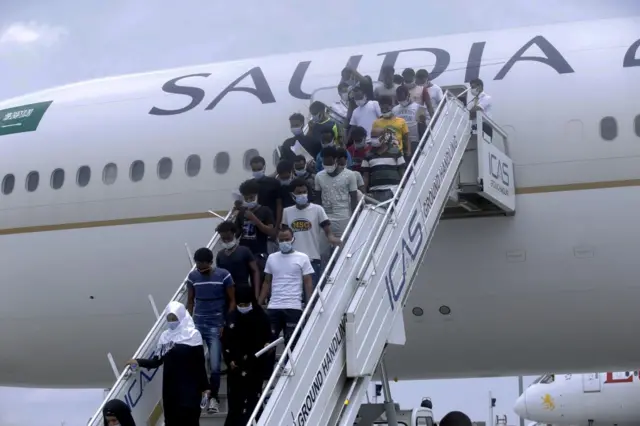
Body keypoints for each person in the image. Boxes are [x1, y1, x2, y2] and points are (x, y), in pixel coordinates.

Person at [126, 302, 210, 426]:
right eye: (169, 318)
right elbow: (156, 361)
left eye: (174, 318)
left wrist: (205, 388)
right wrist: (138, 362)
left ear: (181, 317)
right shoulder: (164, 337)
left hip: (190, 390)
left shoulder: (193, 335)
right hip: (171, 391)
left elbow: (199, 364)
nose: (171, 321)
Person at [186, 247, 235, 414]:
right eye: (198, 264)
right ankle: (202, 394)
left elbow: (232, 301)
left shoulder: (223, 275)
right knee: (196, 364)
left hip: (216, 324)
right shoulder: (193, 277)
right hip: (198, 324)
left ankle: (214, 398)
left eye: (203, 264)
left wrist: (225, 323)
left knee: (215, 365)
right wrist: (188, 324)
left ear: (210, 262)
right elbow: (190, 301)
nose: (200, 267)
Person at [222, 285, 273, 426]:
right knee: (235, 404)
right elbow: (225, 341)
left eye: (246, 304)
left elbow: (267, 344)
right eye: (240, 305)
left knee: (252, 403)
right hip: (235, 370)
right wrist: (229, 361)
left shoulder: (261, 319)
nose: (243, 307)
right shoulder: (232, 318)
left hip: (254, 369)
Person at [258, 226, 314, 346]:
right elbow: (266, 282)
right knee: (268, 343)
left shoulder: (302, 257)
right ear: (277, 240)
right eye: (281, 240)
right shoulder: (272, 258)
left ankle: (289, 365)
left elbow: (308, 282)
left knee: (292, 344)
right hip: (273, 306)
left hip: (293, 307)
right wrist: (259, 304)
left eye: (287, 239)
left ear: (293, 239)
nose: (284, 242)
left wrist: (309, 305)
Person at [282, 178, 342, 287]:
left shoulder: (318, 209)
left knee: (312, 292)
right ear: (292, 195)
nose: (302, 195)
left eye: (304, 192)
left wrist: (331, 237)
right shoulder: (286, 212)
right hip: (292, 259)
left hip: (312, 258)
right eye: (299, 193)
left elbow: (327, 230)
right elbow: (283, 235)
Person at [314, 146, 359, 237]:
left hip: (344, 218)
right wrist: (319, 218)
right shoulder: (319, 176)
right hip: (325, 218)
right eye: (325, 164)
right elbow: (318, 198)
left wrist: (354, 218)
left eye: (330, 164)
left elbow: (354, 197)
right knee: (324, 249)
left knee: (342, 246)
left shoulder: (350, 175)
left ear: (336, 160)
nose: (328, 167)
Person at [216, 220, 261, 295]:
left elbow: (255, 271)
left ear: (234, 235)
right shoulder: (220, 255)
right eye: (224, 239)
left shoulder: (244, 251)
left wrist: (256, 293)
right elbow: (219, 276)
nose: (226, 241)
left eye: (229, 238)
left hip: (243, 291)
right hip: (227, 292)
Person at [362, 128, 406, 202]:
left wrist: (405, 189)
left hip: (393, 190)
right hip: (375, 193)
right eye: (372, 137)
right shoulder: (368, 155)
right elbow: (366, 176)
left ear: (384, 137)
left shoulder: (396, 152)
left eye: (376, 137)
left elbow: (402, 172)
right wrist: (364, 192)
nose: (374, 139)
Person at [235, 178, 275, 259]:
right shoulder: (242, 212)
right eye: (246, 198)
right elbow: (236, 233)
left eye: (252, 198)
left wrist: (254, 219)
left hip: (260, 252)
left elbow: (271, 232)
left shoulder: (265, 210)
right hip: (244, 252)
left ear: (257, 196)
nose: (249, 200)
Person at [393, 85, 427, 157]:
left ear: (408, 95)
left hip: (415, 140)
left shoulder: (419, 108)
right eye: (399, 99)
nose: (402, 101)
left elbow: (423, 126)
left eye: (403, 98)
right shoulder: (394, 110)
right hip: (400, 141)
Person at [249, 156, 282, 228]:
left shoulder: (274, 183)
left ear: (264, 167)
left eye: (259, 169)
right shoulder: (249, 184)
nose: (257, 172)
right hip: (255, 222)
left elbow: (279, 205)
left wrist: (277, 224)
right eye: (254, 170)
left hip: (271, 221)